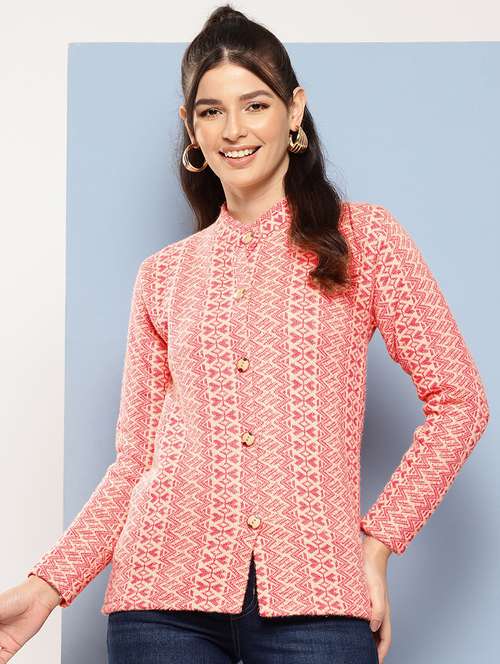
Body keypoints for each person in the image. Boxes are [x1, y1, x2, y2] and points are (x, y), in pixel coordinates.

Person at [0, 4, 490, 664]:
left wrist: (377, 543)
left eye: (255, 105)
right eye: (211, 111)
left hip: (319, 600)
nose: (233, 129)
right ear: (191, 127)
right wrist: (45, 588)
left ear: (294, 110)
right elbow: (135, 465)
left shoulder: (365, 240)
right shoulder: (164, 276)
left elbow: (461, 402)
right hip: (158, 606)